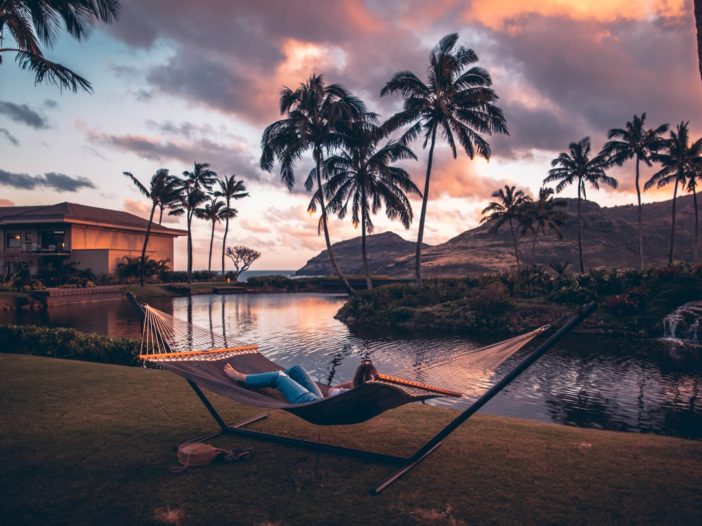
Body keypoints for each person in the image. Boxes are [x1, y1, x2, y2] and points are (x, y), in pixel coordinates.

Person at [223, 359, 379, 404]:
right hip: (321, 402)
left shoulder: (353, 391)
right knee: (296, 369)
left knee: (279, 376)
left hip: (316, 406)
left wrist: (352, 382)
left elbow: (332, 390)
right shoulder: (367, 393)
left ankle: (240, 377)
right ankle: (263, 382)